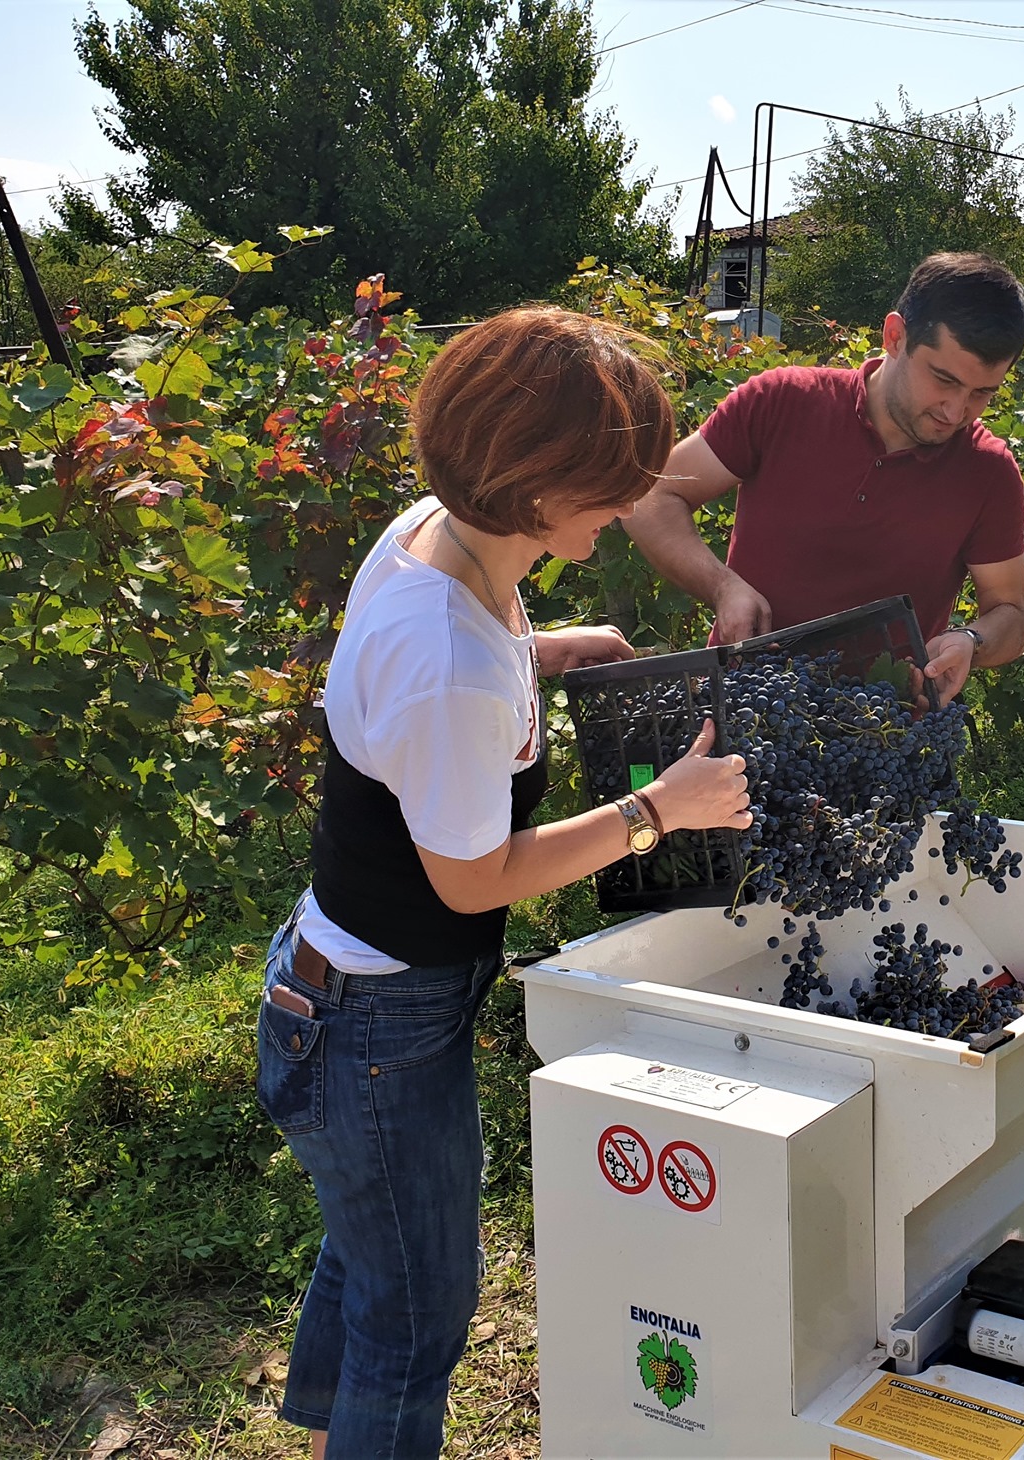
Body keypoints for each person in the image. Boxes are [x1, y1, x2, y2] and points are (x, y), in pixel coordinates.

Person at [255, 308, 753, 1460]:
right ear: (536, 492)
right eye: (612, 487)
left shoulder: (439, 532)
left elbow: (439, 673)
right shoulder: (450, 663)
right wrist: (656, 809)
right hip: (372, 1024)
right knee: (414, 1315)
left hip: (349, 987)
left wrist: (546, 647)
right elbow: (477, 878)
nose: (629, 506)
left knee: (377, 1252)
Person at [623, 252, 1024, 703]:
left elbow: (1011, 615)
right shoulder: (783, 402)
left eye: (982, 393)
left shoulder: (988, 471)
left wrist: (971, 640)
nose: (955, 411)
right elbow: (653, 496)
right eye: (943, 380)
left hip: (882, 732)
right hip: (745, 709)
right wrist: (722, 587)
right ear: (895, 337)